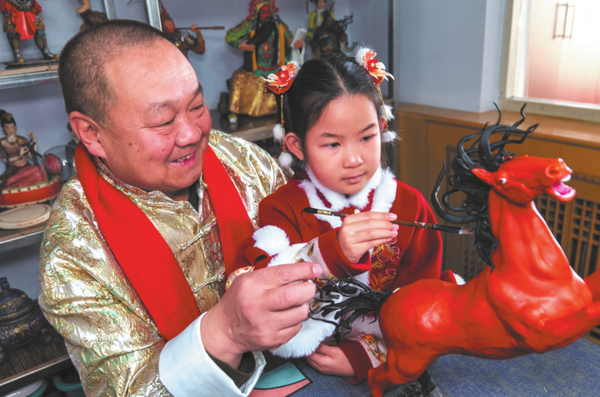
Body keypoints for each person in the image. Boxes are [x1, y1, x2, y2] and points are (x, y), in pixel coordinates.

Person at [39, 19, 323, 396]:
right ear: (91, 133)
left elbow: (313, 251)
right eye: (163, 120)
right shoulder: (72, 252)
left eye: (197, 105)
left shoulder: (241, 159)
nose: (192, 134)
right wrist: (224, 333)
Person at [237, 53, 452, 385]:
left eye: (366, 138)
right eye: (333, 144)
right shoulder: (281, 209)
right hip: (305, 361)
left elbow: (423, 302)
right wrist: (331, 251)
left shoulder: (409, 205)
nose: (354, 159)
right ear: (296, 146)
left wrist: (366, 356)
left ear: (382, 128)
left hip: (390, 353)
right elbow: (267, 292)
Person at [225, 0, 304, 117]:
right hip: (256, 70)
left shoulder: (279, 25)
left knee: (290, 81)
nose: (267, 15)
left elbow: (290, 41)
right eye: (263, 12)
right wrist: (241, 45)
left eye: (269, 12)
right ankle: (234, 111)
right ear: (257, 12)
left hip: (274, 69)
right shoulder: (249, 25)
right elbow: (230, 35)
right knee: (238, 78)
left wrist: (298, 44)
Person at [0, 109, 45, 188]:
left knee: (37, 170)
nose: (10, 130)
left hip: (27, 167)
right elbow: (6, 160)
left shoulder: (22, 139)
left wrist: (34, 140)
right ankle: (11, 181)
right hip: (14, 170)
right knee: (9, 182)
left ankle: (17, 182)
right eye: (7, 127)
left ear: (15, 127)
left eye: (12, 127)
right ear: (3, 128)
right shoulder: (2, 142)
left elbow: (32, 155)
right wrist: (20, 155)